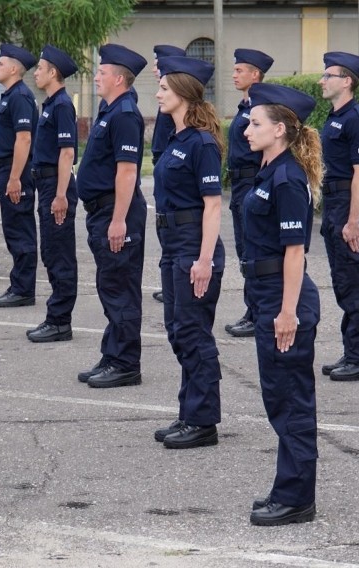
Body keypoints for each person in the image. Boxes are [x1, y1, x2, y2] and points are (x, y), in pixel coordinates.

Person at [242, 83, 321, 526]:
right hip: (268, 293)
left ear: (279, 129)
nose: (247, 129)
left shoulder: (288, 178)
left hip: (283, 297)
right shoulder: (269, 171)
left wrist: (287, 311)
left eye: (255, 123)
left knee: (291, 401)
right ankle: (287, 487)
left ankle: (296, 499)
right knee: (279, 398)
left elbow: (295, 252)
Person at [151, 56, 225, 449]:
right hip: (172, 245)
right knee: (178, 330)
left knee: (194, 333)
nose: (158, 93)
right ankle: (188, 412)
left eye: (164, 88)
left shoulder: (201, 143)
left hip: (194, 246)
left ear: (182, 93)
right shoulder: (177, 139)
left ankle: (203, 421)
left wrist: (204, 259)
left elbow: (213, 206)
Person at [76, 44, 148, 388]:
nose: (96, 76)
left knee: (120, 288)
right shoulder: (111, 110)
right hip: (101, 211)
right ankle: (113, 354)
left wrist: (118, 220)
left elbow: (126, 172)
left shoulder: (124, 114)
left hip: (115, 212)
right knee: (110, 286)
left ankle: (125, 363)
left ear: (119, 78)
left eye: (102, 72)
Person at [318, 51, 359, 382]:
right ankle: (352, 352)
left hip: (348, 206)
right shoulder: (335, 116)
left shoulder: (357, 118)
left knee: (355, 283)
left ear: (346, 81)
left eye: (328, 76)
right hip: (334, 204)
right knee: (344, 281)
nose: (322, 81)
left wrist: (353, 221)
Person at [26, 45, 79, 343]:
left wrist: (61, 195)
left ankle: (60, 321)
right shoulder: (49, 103)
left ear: (53, 72)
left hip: (55, 187)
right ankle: (56, 316)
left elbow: (67, 152)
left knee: (59, 255)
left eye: (40, 68)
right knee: (50, 251)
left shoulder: (61, 105)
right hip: (45, 185)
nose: (36, 73)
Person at [224, 48, 274, 338]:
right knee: (245, 249)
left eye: (240, 70)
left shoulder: (260, 107)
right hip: (240, 185)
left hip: (252, 181)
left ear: (255, 74)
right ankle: (252, 309)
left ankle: (257, 313)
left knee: (254, 249)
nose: (234, 74)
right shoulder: (246, 107)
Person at [0, 44, 39, 308]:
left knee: (20, 230)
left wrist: (15, 177)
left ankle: (24, 289)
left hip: (14, 169)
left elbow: (24, 138)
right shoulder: (10, 95)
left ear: (14, 68)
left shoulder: (19, 96)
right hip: (7, 168)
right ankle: (19, 284)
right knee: (13, 228)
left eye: (0, 63)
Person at [148, 44, 186, 304]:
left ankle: (174, 281)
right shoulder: (166, 99)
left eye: (158, 63)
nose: (154, 68)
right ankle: (170, 281)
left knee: (171, 224)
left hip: (171, 166)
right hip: (163, 164)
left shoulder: (176, 101)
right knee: (164, 225)